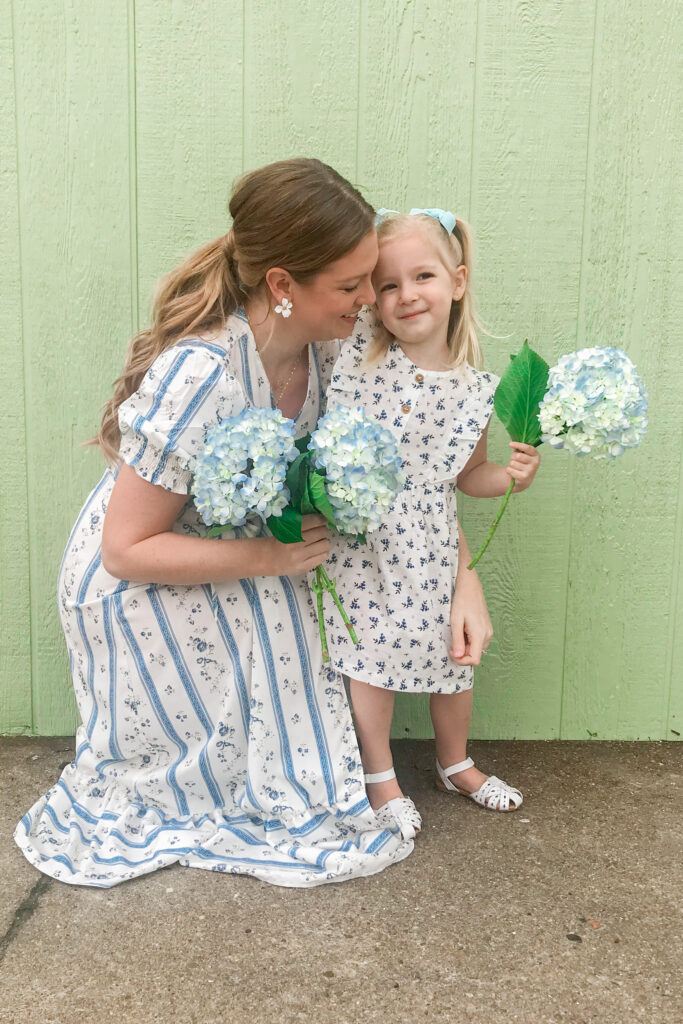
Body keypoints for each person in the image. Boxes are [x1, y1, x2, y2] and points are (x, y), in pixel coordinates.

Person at [15, 158, 428, 888]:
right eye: (349, 284)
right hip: (144, 584)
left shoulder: (326, 351)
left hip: (242, 553)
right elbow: (125, 548)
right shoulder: (201, 371)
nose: (369, 299)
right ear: (280, 286)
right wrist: (268, 560)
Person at [324, 208, 541, 838]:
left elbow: (467, 474)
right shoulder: (364, 355)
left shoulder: (478, 388)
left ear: (459, 282)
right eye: (388, 285)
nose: (405, 295)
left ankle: (456, 762)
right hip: (365, 539)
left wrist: (510, 476)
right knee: (372, 656)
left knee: (455, 657)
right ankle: (379, 775)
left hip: (432, 543)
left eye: (423, 276)